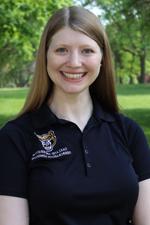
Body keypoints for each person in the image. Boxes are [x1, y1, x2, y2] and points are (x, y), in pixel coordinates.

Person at [0, 5, 150, 225]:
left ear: (102, 58)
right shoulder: (15, 138)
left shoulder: (129, 132)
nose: (74, 62)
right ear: (45, 56)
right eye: (62, 50)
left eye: (87, 50)